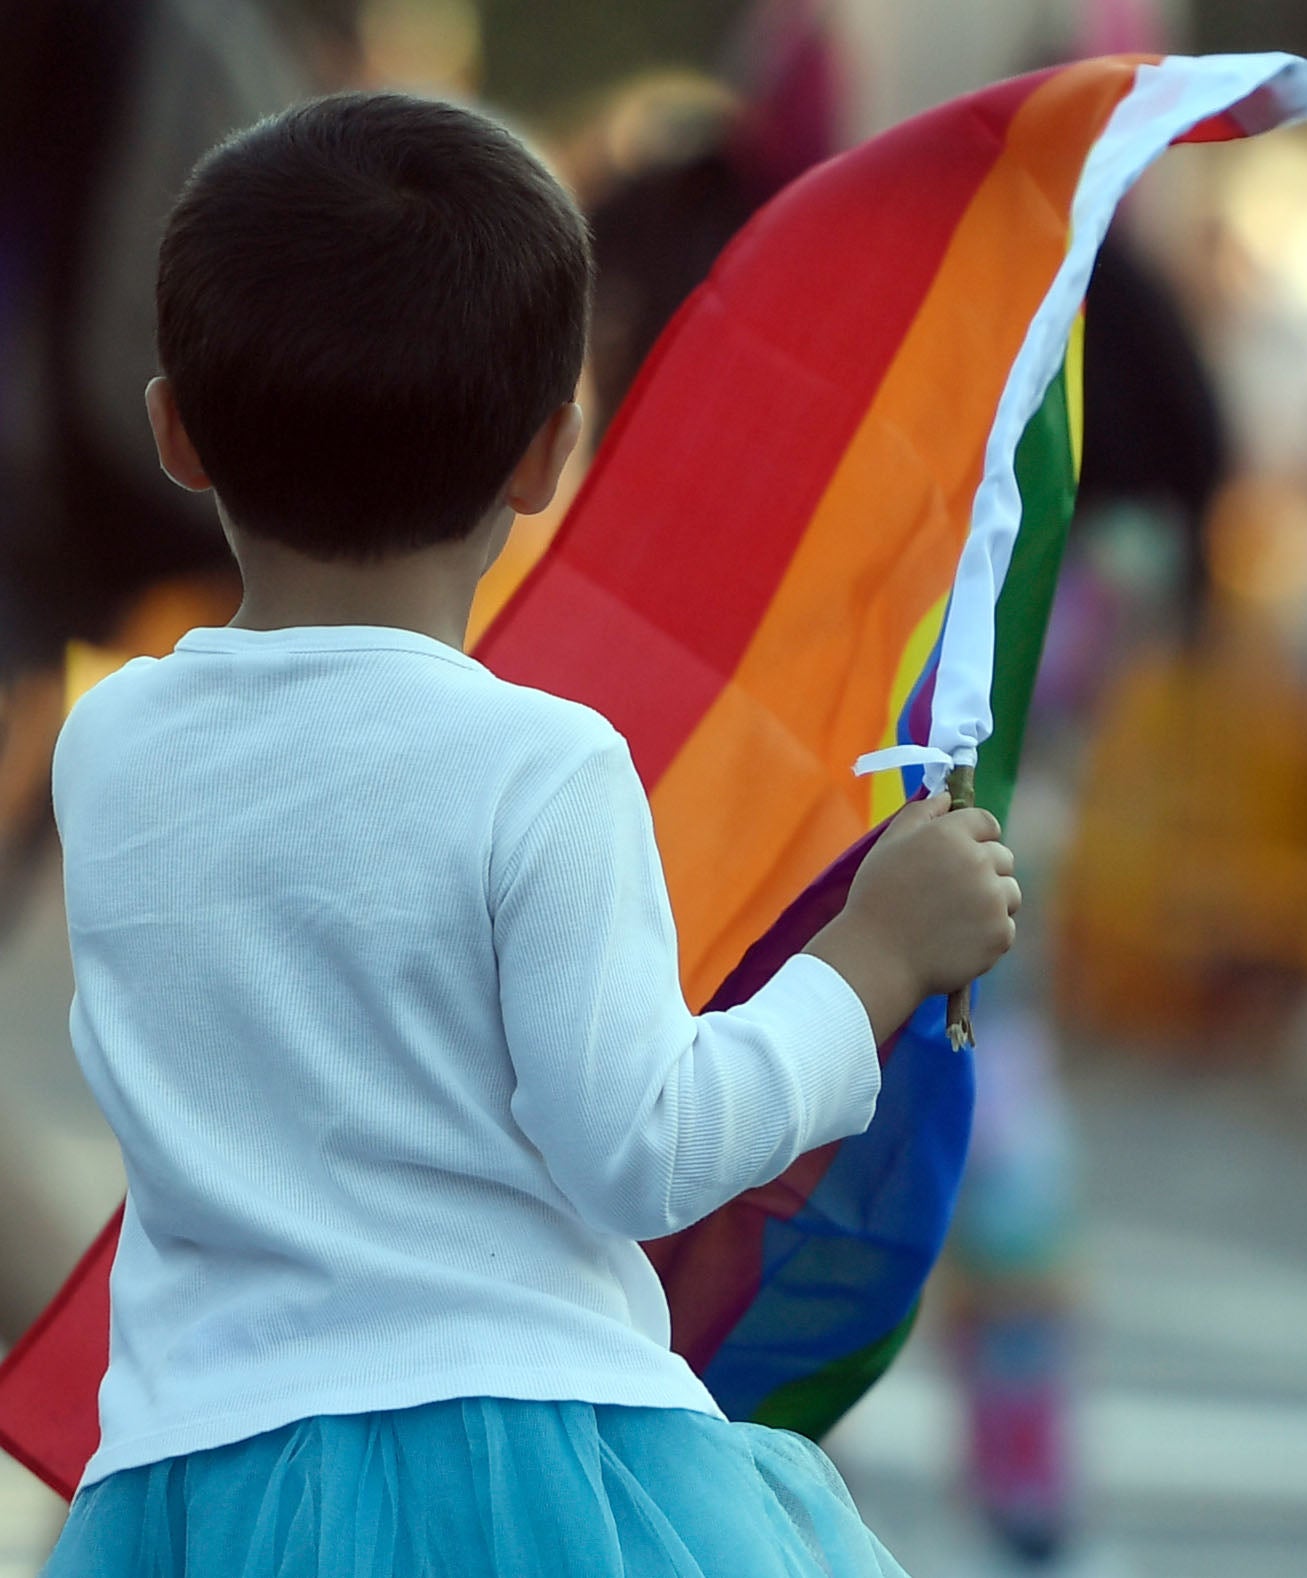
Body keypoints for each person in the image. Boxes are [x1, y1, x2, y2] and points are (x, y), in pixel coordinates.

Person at [40, 90, 1020, 1576]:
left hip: (198, 1479)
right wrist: (869, 961)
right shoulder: (540, 763)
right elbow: (642, 1144)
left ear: (176, 429)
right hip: (527, 1471)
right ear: (547, 454)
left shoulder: (108, 745)